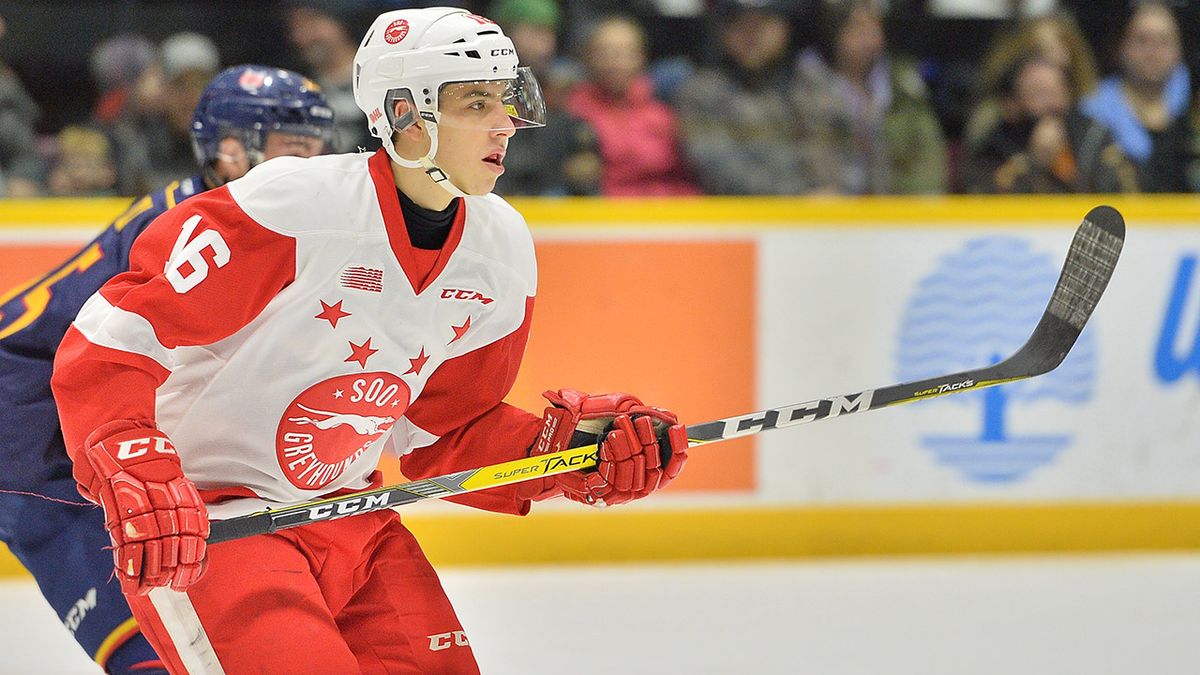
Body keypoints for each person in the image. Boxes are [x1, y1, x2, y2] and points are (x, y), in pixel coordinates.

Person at [50, 7, 688, 674]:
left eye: (507, 99)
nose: (505, 122)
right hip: (219, 529)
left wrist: (564, 453)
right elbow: (111, 341)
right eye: (477, 101)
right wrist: (132, 462)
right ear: (406, 114)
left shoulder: (501, 250)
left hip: (358, 523)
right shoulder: (288, 208)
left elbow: (446, 430)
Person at [0, 64, 334, 675]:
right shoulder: (199, 224)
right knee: (151, 634)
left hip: (56, 395)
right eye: (294, 147)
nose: (312, 163)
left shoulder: (250, 214)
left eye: (317, 146)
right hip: (23, 412)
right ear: (231, 150)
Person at [675, 0, 840, 194]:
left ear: (785, 28)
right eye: (740, 24)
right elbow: (718, 169)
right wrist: (799, 198)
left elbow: (842, 148)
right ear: (723, 31)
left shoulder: (812, 83)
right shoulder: (702, 92)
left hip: (830, 213)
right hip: (739, 217)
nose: (751, 35)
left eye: (763, 23)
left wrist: (830, 192)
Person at [793, 0, 947, 194]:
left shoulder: (904, 84)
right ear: (834, 30)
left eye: (876, 24)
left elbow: (927, 157)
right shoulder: (806, 82)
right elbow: (805, 154)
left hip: (897, 209)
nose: (871, 36)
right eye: (858, 26)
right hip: (827, 208)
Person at [566, 15, 700, 196]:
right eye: (606, 53)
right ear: (589, 58)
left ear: (642, 57)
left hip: (673, 209)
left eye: (625, 53)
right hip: (606, 212)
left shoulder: (664, 110)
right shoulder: (575, 111)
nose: (616, 63)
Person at [962, 56, 1136, 193]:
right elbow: (984, 202)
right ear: (1011, 104)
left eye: (1057, 92)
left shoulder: (1092, 134)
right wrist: (1033, 164)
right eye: (1039, 93)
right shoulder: (992, 148)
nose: (1052, 104)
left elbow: (1128, 188)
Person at [1079, 0, 1193, 192]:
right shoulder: (1091, 113)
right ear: (1121, 46)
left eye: (1164, 41)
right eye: (1142, 40)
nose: (1153, 52)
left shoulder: (1191, 111)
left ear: (1179, 49)